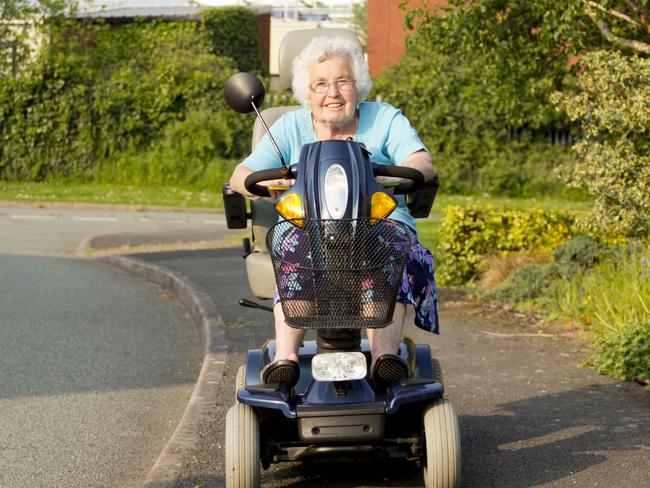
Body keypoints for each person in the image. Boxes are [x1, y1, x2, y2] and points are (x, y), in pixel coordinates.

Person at [229, 36, 439, 390]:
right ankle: (286, 360)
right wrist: (267, 185)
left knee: (393, 252)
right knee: (292, 250)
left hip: (378, 225)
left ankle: (385, 357)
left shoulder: (385, 119)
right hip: (308, 229)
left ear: (358, 86)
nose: (333, 93)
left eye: (342, 81)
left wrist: (392, 173)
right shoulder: (286, 128)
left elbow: (421, 161)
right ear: (306, 93)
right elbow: (239, 176)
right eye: (320, 84)